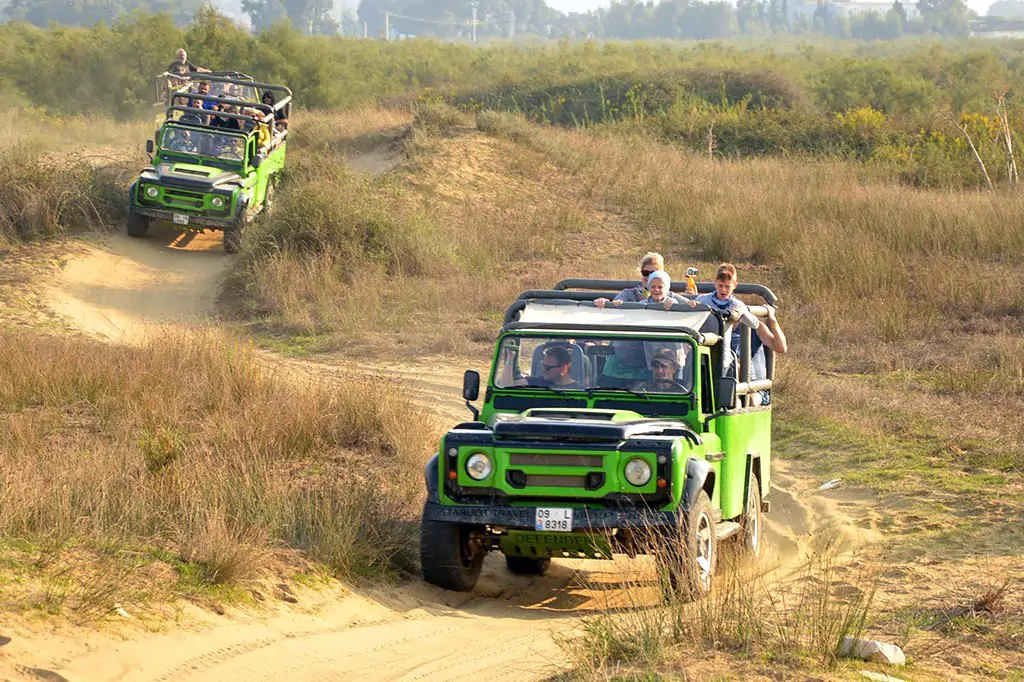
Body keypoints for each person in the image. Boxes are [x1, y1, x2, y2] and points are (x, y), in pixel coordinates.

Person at [688, 262, 787, 378]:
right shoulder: (704, 301)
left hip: (734, 371)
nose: (723, 290)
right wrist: (691, 305)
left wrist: (772, 318)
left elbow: (781, 347)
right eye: (720, 286)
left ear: (735, 285)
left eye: (727, 286)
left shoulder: (739, 309)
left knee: (736, 369)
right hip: (706, 361)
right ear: (715, 283)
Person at [594, 251, 664, 308]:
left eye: (653, 273)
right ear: (641, 273)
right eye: (645, 273)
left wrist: (672, 304)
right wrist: (603, 303)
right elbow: (614, 306)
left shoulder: (671, 297)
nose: (649, 277)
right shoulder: (628, 294)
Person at [501, 345, 582, 389]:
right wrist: (510, 358)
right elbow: (507, 386)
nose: (543, 370)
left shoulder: (580, 391)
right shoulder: (536, 382)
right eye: (543, 365)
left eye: (547, 367)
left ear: (564, 368)